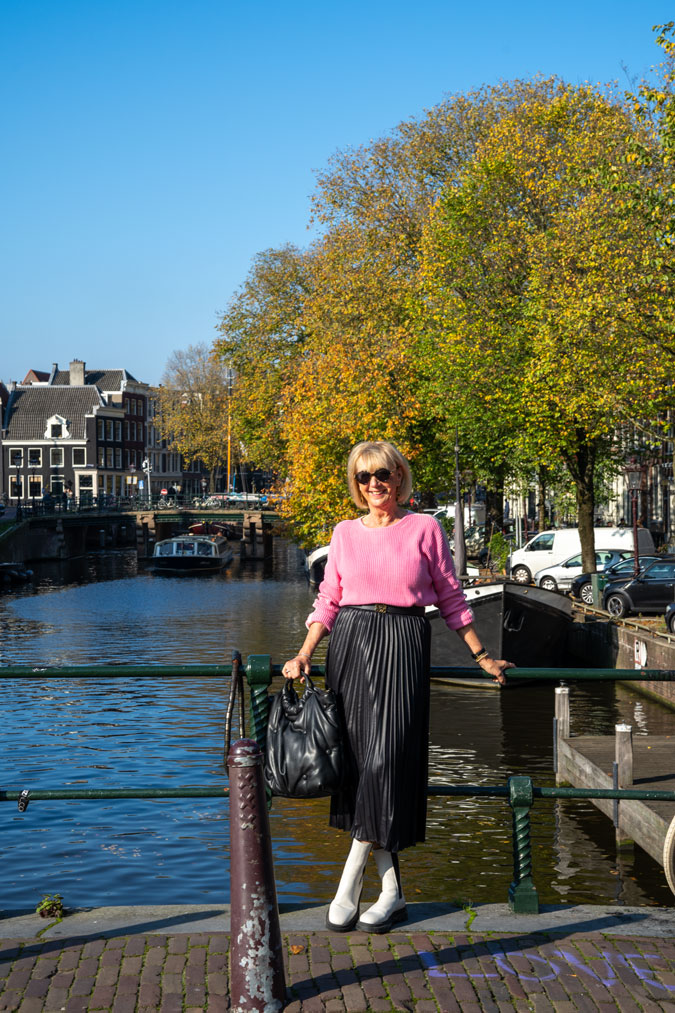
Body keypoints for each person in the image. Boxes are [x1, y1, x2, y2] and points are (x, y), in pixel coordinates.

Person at [282, 441, 513, 934]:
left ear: (399, 476)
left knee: (387, 759)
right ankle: (392, 892)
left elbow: (450, 598)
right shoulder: (344, 533)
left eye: (382, 474)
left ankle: (348, 883)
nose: (373, 485)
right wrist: (304, 654)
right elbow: (329, 599)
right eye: (363, 477)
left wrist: (481, 655)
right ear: (355, 483)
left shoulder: (425, 528)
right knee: (363, 764)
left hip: (405, 641)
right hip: (351, 645)